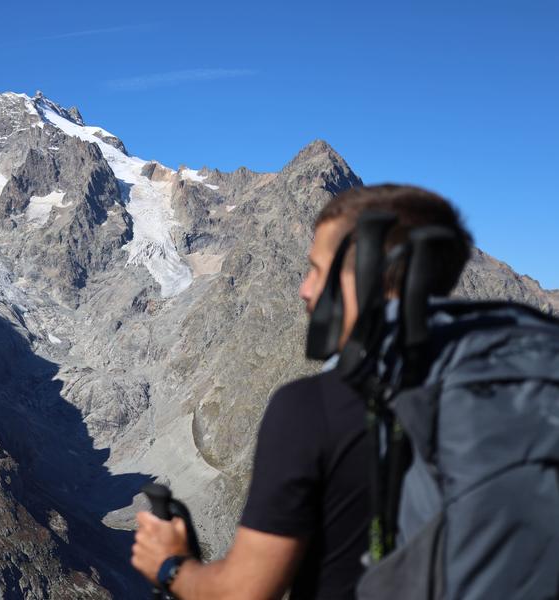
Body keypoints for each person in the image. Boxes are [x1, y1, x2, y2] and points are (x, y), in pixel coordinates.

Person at [131, 184, 472, 599]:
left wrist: (171, 566)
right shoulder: (515, 390)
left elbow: (243, 594)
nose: (305, 289)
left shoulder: (314, 408)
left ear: (366, 273)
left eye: (316, 269)